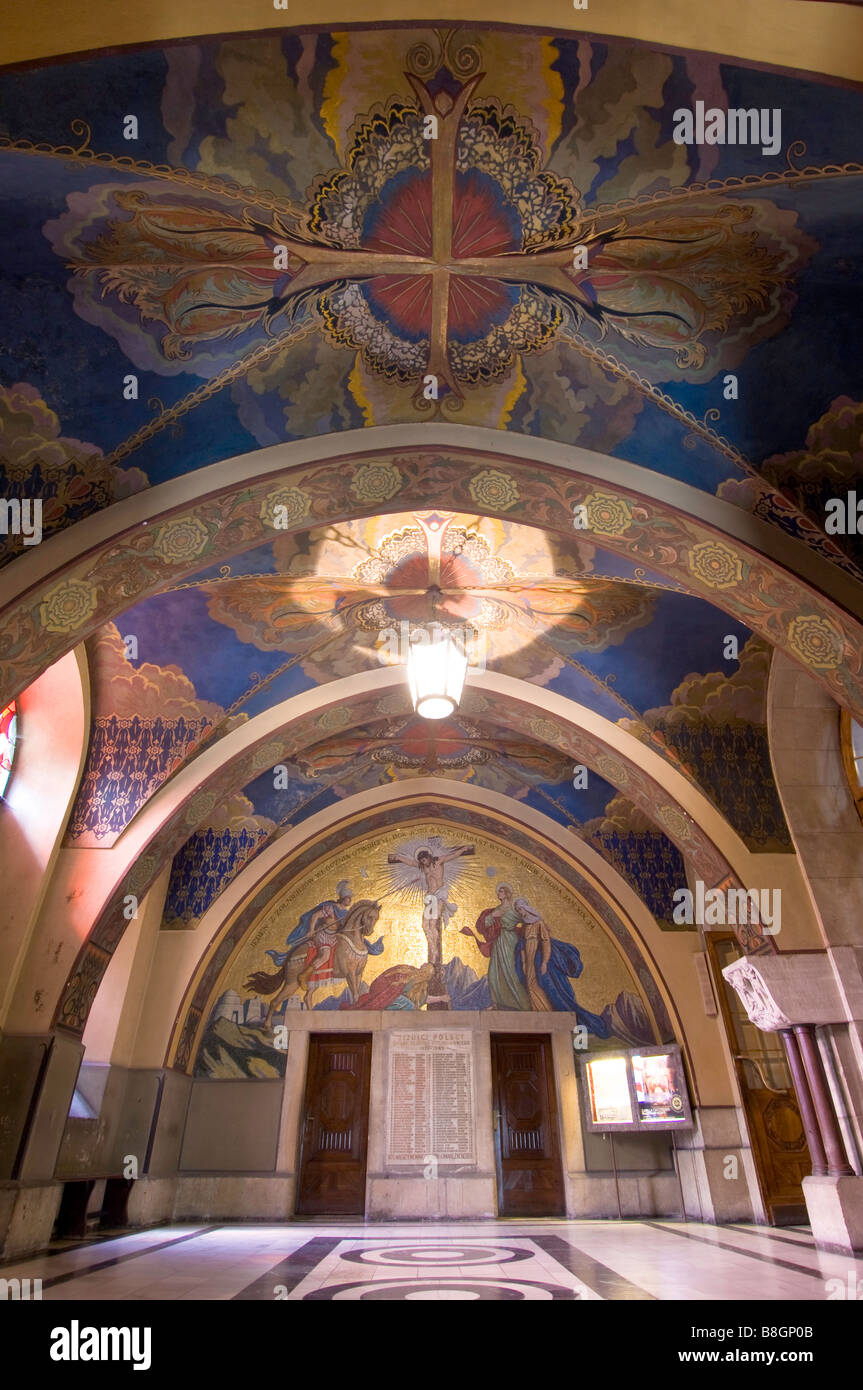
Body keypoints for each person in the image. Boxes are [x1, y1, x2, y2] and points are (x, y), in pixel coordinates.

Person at [461, 883, 531, 1010]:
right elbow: (485, 924)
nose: (498, 894)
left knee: (511, 971)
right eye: (498, 891)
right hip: (498, 943)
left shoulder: (515, 908)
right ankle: (498, 1003)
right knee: (493, 973)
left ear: (507, 893)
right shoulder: (497, 909)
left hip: (510, 941)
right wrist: (492, 916)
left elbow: (527, 919)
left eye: (501, 891)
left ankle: (521, 1004)